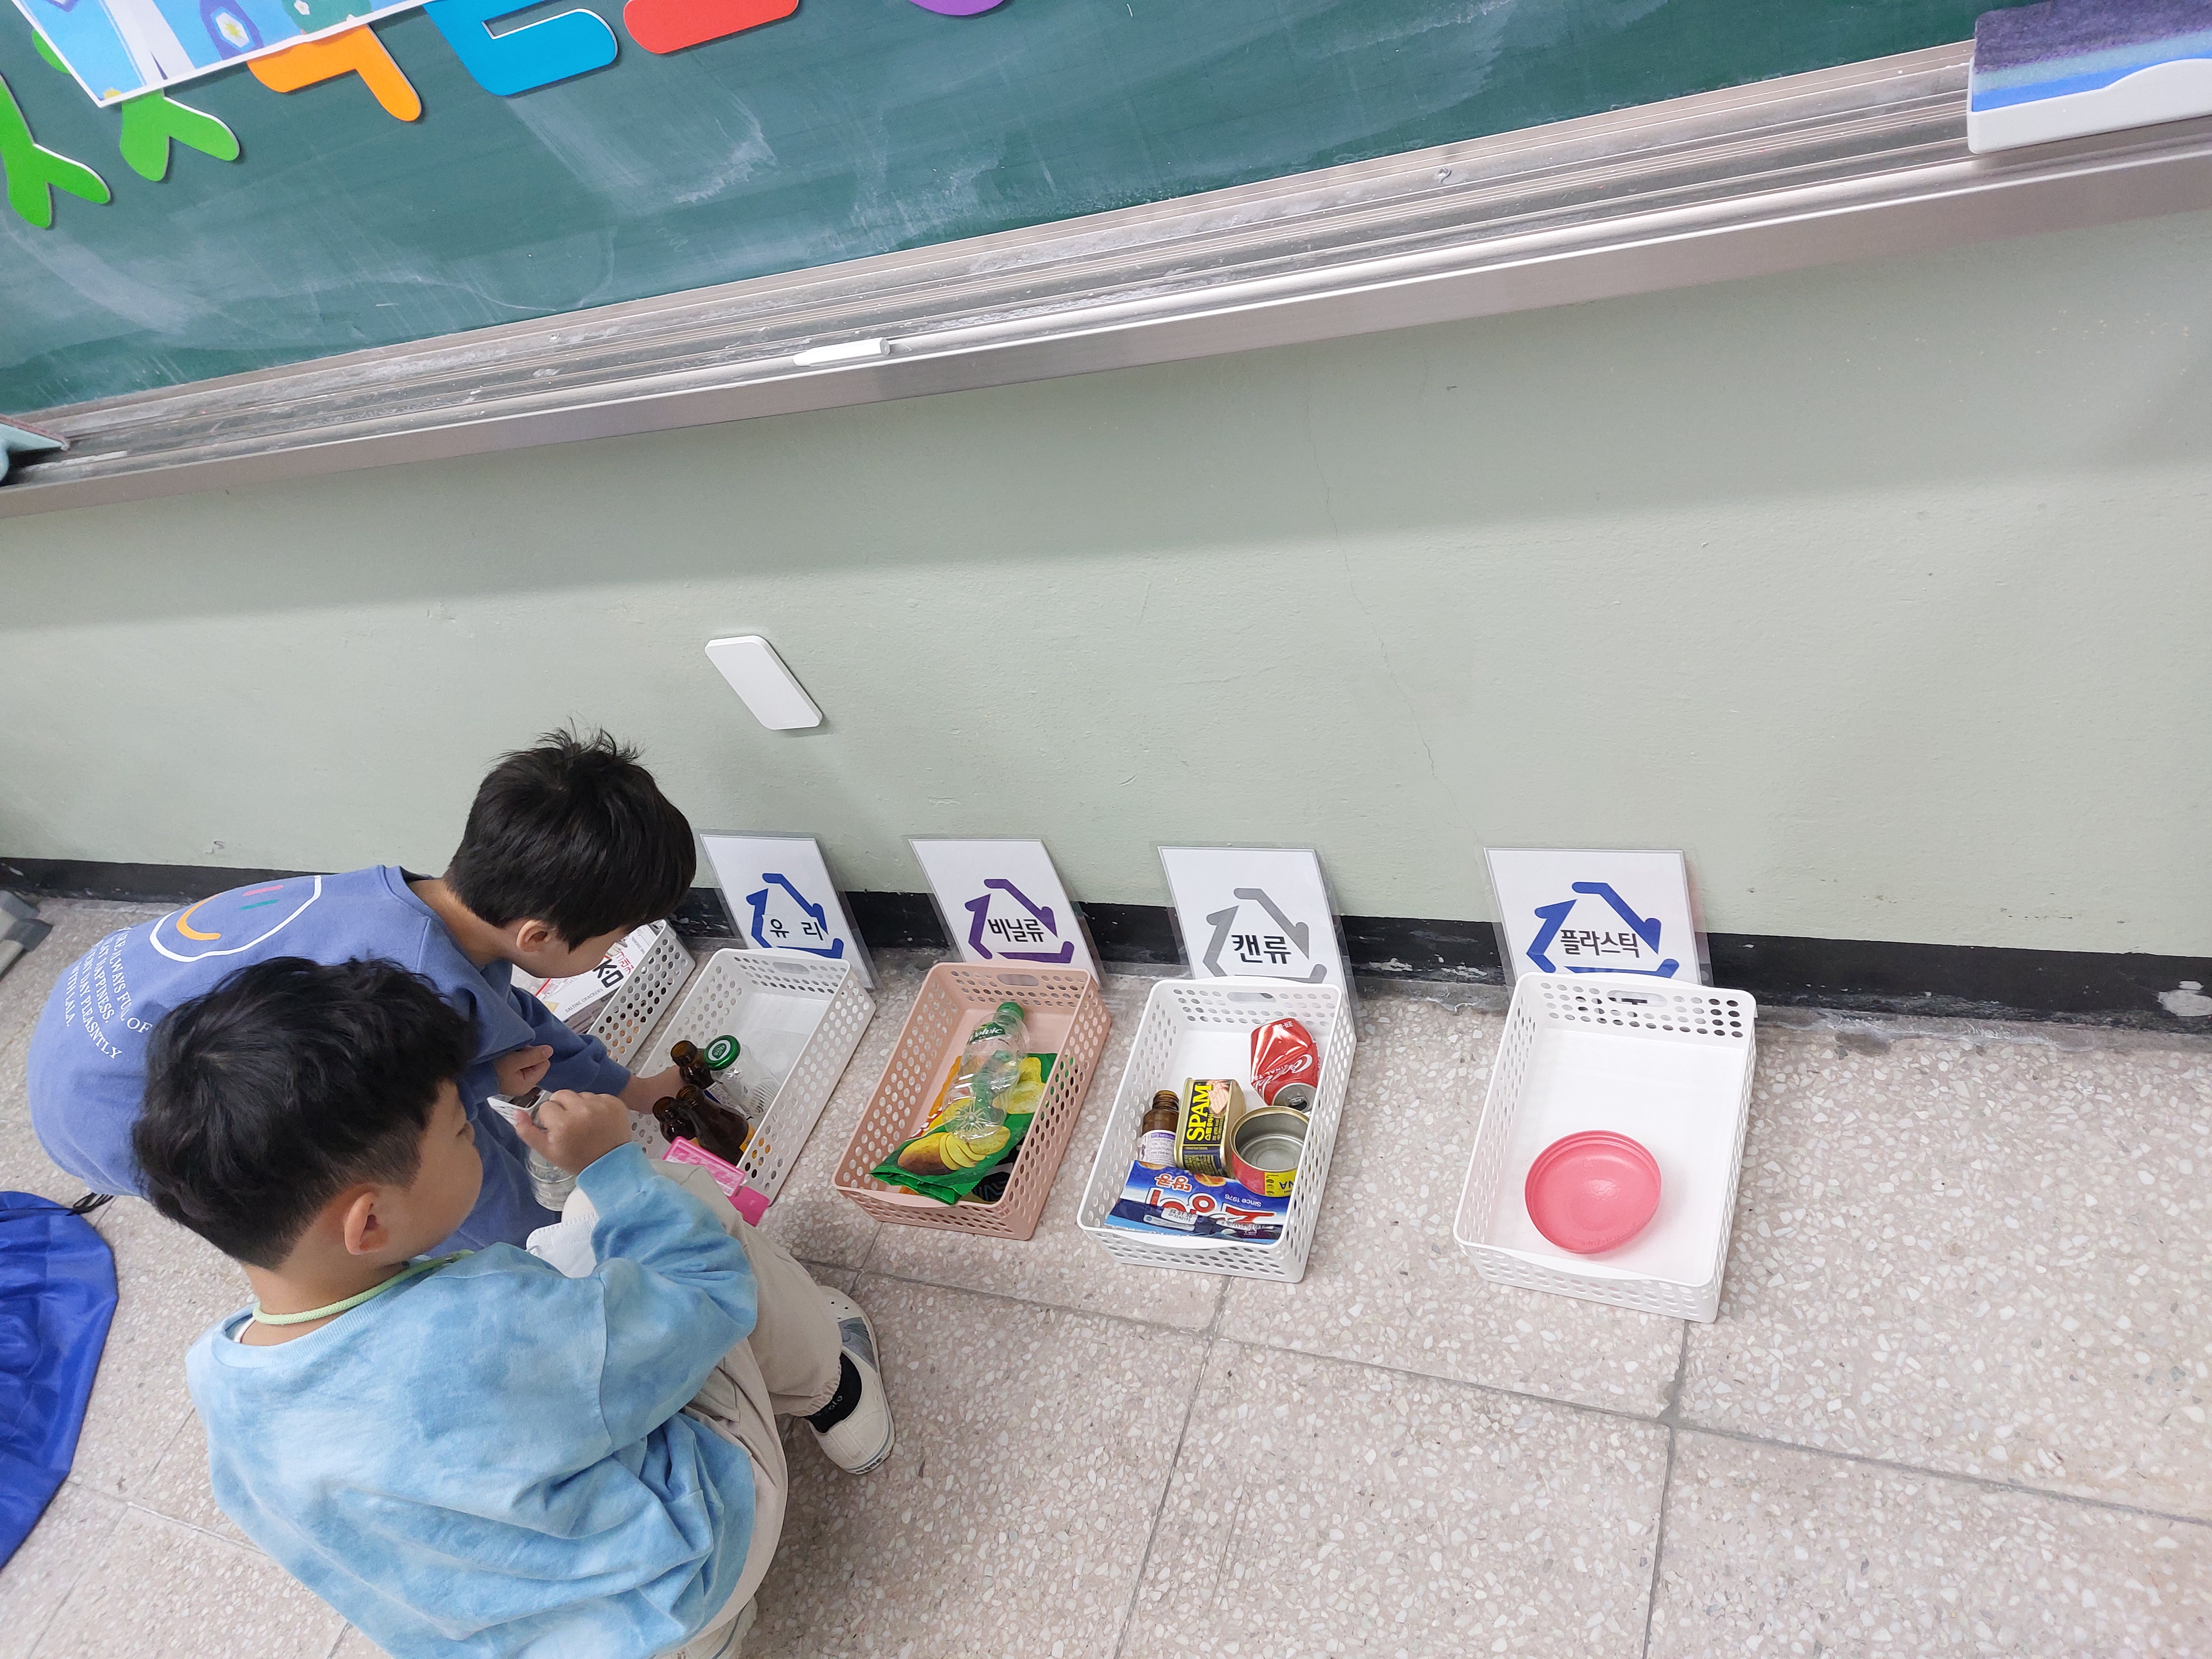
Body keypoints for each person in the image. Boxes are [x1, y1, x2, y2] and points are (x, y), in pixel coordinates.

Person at [140, 957, 894, 1659]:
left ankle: (712, 1642)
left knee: (570, 1250)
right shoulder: (485, 1325)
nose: (479, 1132)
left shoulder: (218, 1375)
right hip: (689, 1563)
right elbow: (703, 1292)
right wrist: (612, 1169)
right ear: (368, 1223)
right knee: (674, 1204)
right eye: (462, 1129)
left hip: (547, 1640)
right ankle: (836, 1392)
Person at [28, 729, 694, 1249]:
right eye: (618, 936)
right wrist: (549, 1243)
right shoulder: (413, 995)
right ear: (539, 937)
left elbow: (514, 1020)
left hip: (86, 1022)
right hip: (119, 1113)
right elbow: (426, 1157)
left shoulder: (417, 906)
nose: (618, 947)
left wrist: (633, 1091)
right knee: (400, 1189)